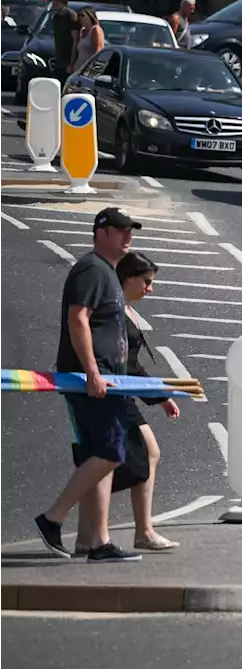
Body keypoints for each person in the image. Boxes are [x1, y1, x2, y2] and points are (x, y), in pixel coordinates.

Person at [34, 207, 144, 563]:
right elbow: (77, 318)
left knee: (105, 454)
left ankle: (97, 542)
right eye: (121, 230)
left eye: (130, 231)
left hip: (106, 380)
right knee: (110, 452)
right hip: (90, 381)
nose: (128, 237)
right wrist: (93, 372)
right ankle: (53, 518)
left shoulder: (108, 272)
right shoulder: (92, 269)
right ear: (102, 232)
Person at [72, 251, 180, 555]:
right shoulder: (115, 309)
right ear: (128, 278)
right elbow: (125, 362)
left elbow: (129, 361)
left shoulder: (124, 308)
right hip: (111, 389)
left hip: (121, 390)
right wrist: (158, 396)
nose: (150, 288)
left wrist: (160, 397)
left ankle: (90, 536)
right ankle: (138, 532)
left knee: (108, 458)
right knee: (118, 457)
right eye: (146, 281)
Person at [47, 0, 79, 78]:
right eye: (53, 0)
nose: (54, 3)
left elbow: (75, 42)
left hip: (69, 64)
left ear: (63, 2)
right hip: (59, 62)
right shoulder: (56, 17)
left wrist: (71, 64)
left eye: (57, 0)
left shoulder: (71, 16)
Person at [70, 6, 104, 74]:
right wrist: (71, 65)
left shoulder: (96, 30)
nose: (80, 17)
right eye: (78, 15)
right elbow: (75, 50)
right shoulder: (82, 31)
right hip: (78, 68)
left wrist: (91, 69)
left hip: (89, 70)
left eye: (82, 15)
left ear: (90, 15)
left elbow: (98, 51)